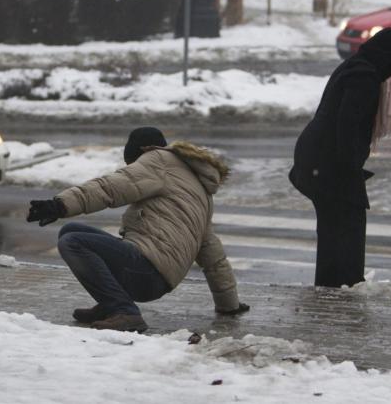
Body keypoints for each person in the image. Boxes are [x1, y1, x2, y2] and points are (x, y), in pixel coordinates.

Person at [27, 127, 250, 332]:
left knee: (73, 241)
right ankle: (110, 303)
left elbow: (110, 187)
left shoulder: (157, 160)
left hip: (147, 270)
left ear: (143, 150)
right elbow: (214, 256)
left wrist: (60, 205)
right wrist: (229, 305)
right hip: (157, 278)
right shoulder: (197, 189)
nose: (132, 167)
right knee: (70, 230)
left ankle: (124, 311)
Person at [289, 28, 391, 288]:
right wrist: (350, 174)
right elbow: (347, 127)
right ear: (388, 57)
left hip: (318, 160)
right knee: (345, 229)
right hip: (326, 164)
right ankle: (340, 291)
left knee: (335, 231)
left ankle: (333, 290)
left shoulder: (356, 67)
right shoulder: (364, 78)